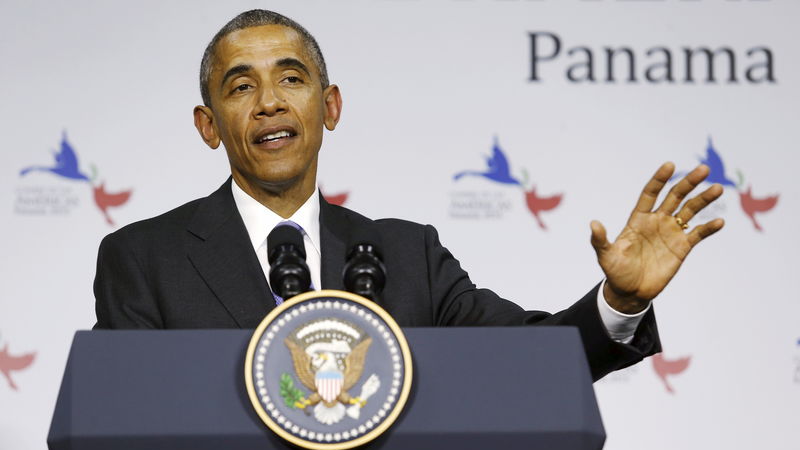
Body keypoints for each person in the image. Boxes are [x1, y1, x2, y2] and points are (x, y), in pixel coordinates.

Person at [93, 10, 724, 381]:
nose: (271, 102)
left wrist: (618, 301)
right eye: (240, 87)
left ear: (329, 107)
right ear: (209, 126)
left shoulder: (404, 252)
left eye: (292, 78)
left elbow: (531, 362)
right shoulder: (145, 257)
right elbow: (124, 429)